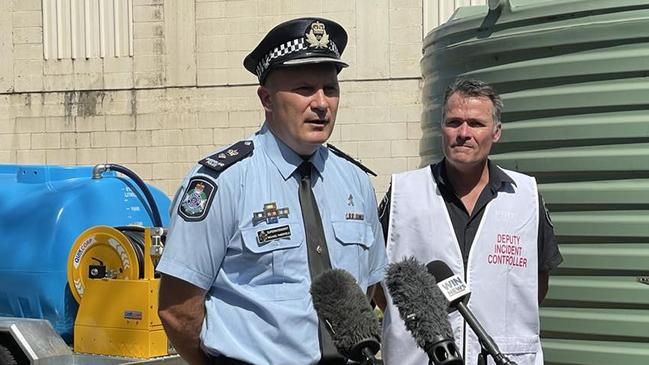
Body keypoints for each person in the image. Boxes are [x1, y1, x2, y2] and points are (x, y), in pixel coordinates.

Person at [156, 17, 387, 365]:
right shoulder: (223, 181)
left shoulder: (355, 180)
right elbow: (178, 308)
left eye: (331, 88)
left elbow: (367, 289)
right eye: (305, 89)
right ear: (266, 98)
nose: (322, 103)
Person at [375, 78, 562, 365]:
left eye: (476, 123)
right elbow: (377, 283)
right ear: (441, 128)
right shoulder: (404, 193)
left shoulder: (525, 197)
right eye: (454, 122)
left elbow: (538, 283)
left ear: (496, 132)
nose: (463, 133)